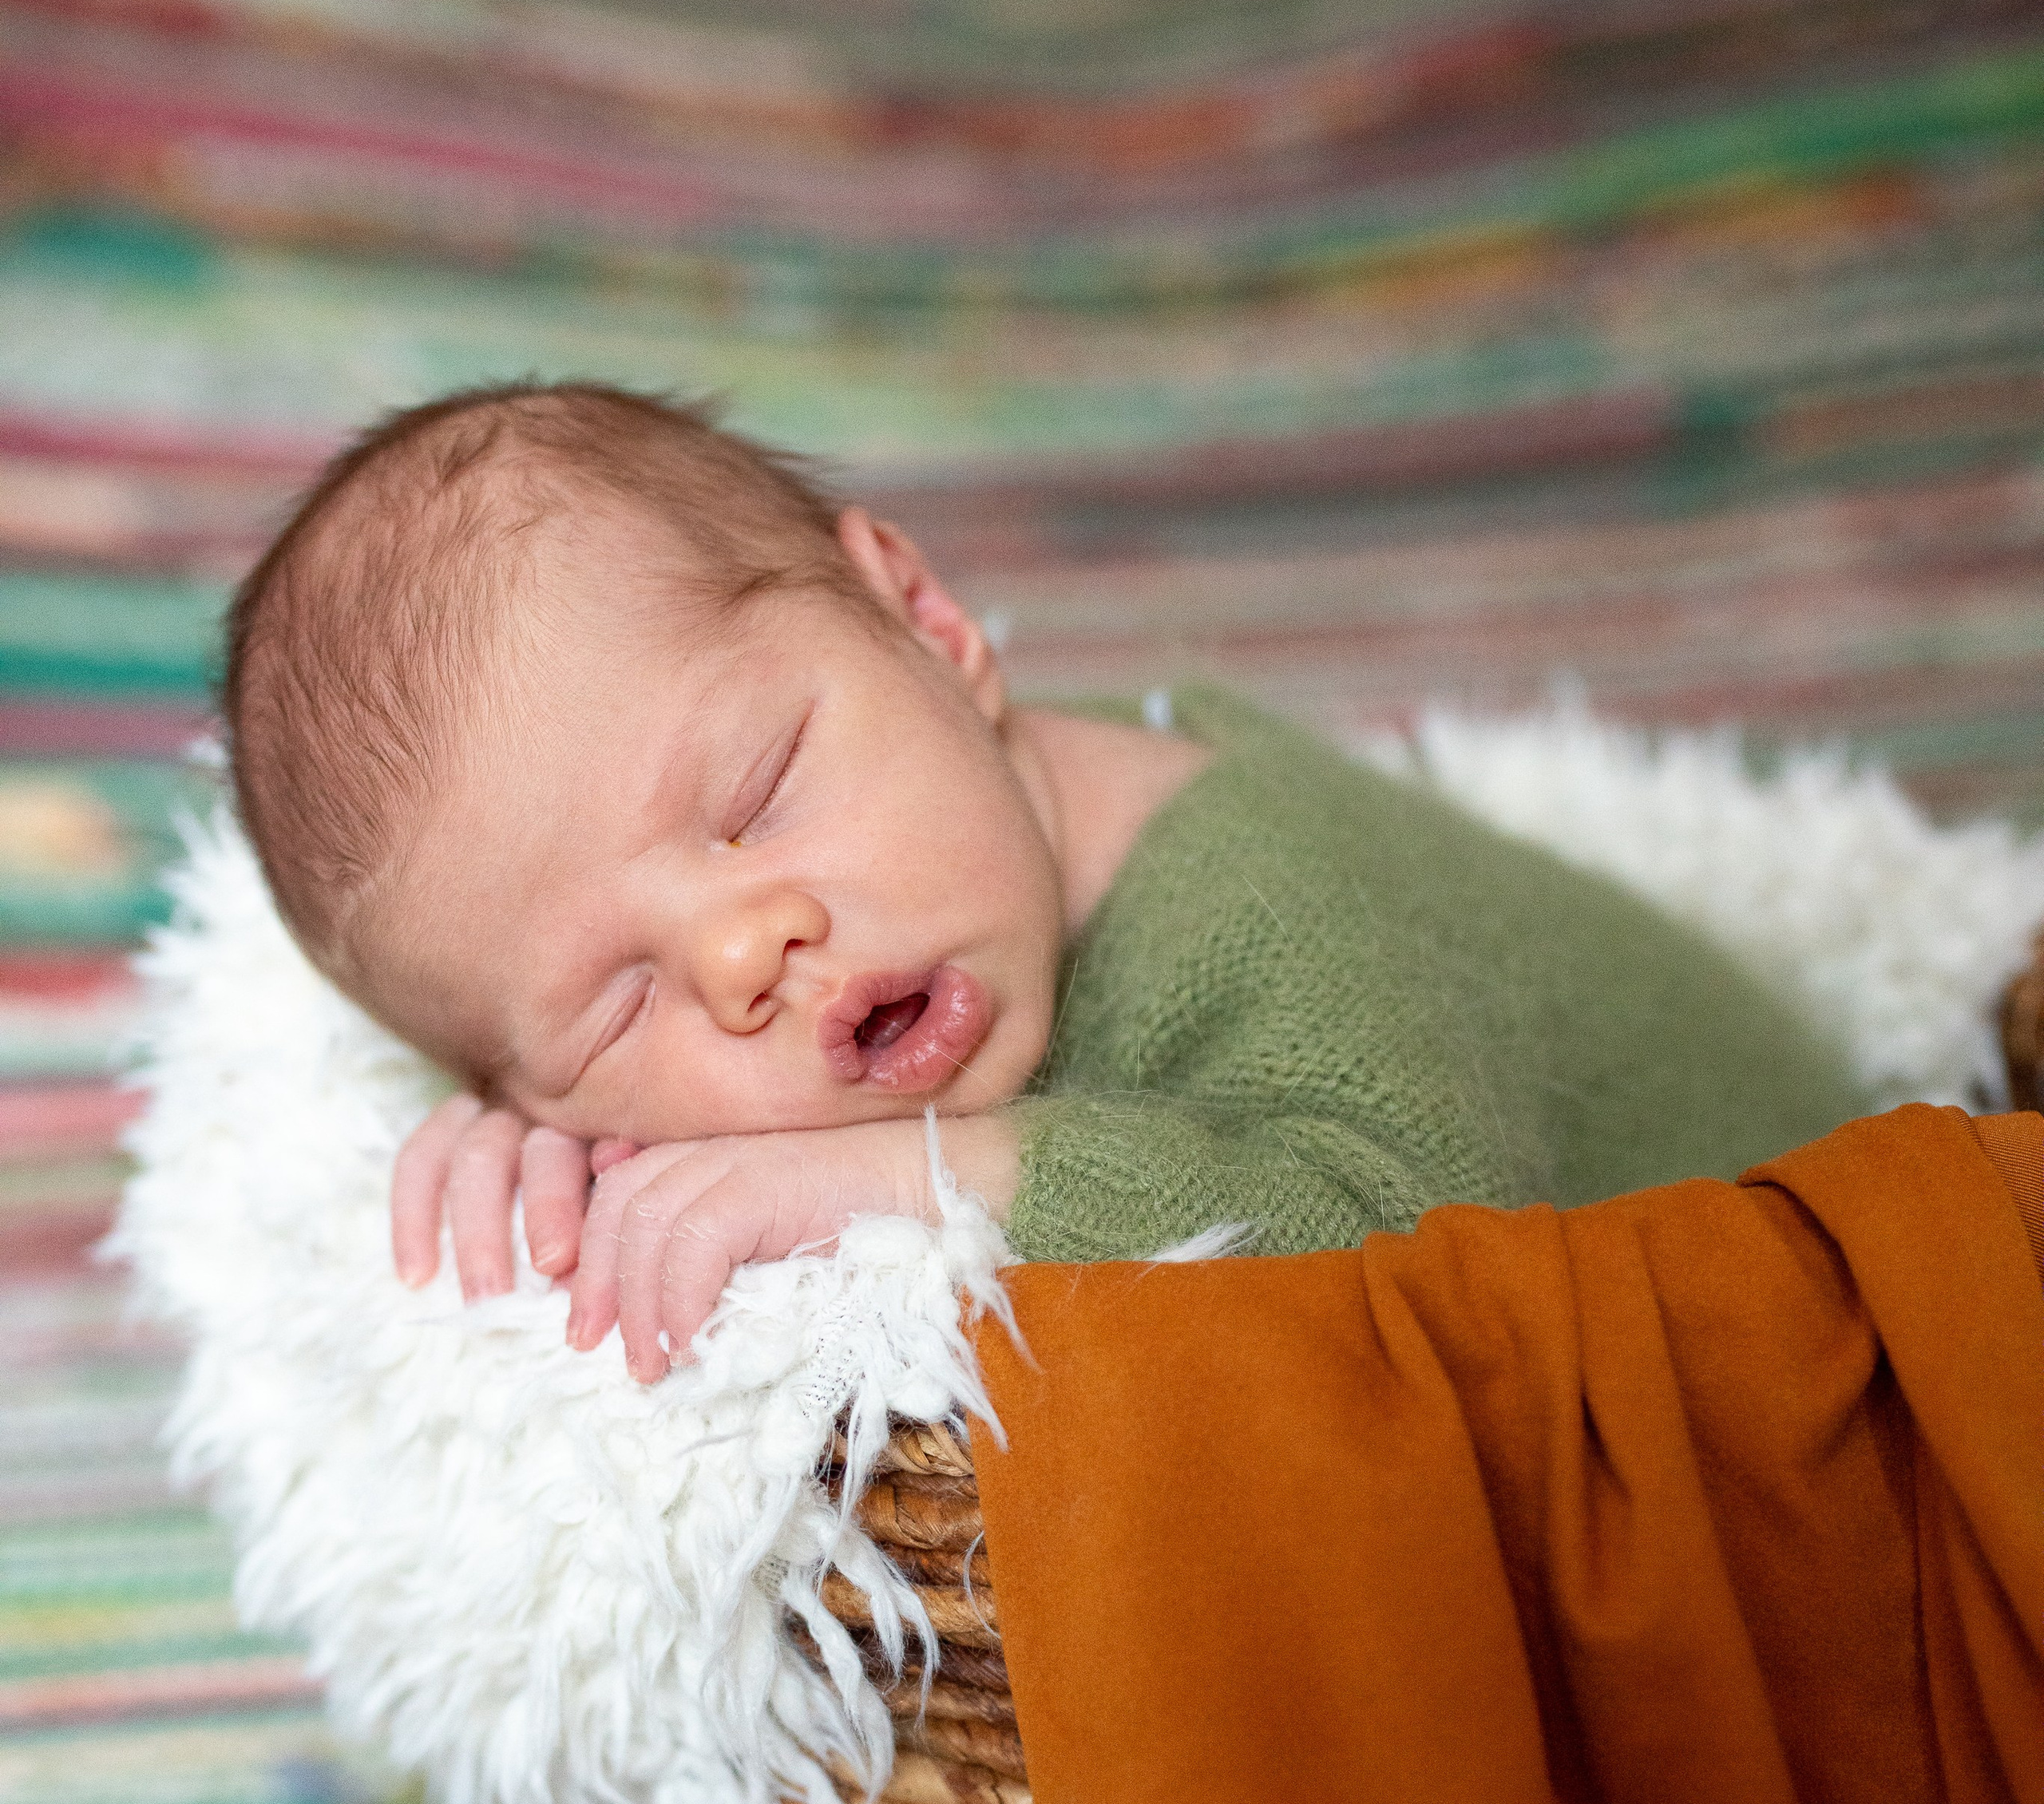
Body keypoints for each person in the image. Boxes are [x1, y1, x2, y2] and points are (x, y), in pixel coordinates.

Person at [223, 382, 1863, 1380]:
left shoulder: (1249, 881)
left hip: (1840, 1358)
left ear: (928, 625)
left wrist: (924, 1177)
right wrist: (536, 1171)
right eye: (615, 998)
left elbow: (1425, 1256)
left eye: (756, 791)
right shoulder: (908, 915)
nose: (743, 948)